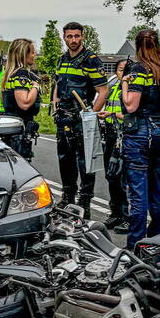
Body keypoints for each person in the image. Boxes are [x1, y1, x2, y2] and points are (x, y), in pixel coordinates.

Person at [120, 30, 160, 248]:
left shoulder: (138, 69)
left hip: (140, 131)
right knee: (157, 189)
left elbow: (131, 105)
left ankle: (135, 245)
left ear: (138, 46)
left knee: (138, 192)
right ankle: (157, 241)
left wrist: (125, 83)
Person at [52, 22, 110, 217]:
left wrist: (90, 114)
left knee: (85, 163)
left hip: (82, 117)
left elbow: (103, 91)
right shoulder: (61, 60)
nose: (73, 40)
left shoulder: (91, 60)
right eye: (69, 36)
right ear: (64, 37)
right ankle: (67, 197)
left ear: (83, 36)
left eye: (77, 36)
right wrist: (55, 105)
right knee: (64, 160)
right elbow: (58, 86)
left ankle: (84, 201)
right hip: (63, 118)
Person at [98, 60, 130, 233]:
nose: (122, 73)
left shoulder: (131, 88)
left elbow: (131, 114)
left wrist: (112, 113)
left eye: (125, 70)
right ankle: (115, 213)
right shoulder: (114, 85)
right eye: (119, 69)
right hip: (111, 135)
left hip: (125, 135)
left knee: (123, 178)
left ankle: (127, 216)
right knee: (111, 175)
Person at [0, 38, 42, 161]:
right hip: (18, 132)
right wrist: (35, 87)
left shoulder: (11, 73)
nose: (35, 55)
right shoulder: (21, 74)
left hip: (11, 131)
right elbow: (24, 103)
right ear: (24, 54)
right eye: (33, 52)